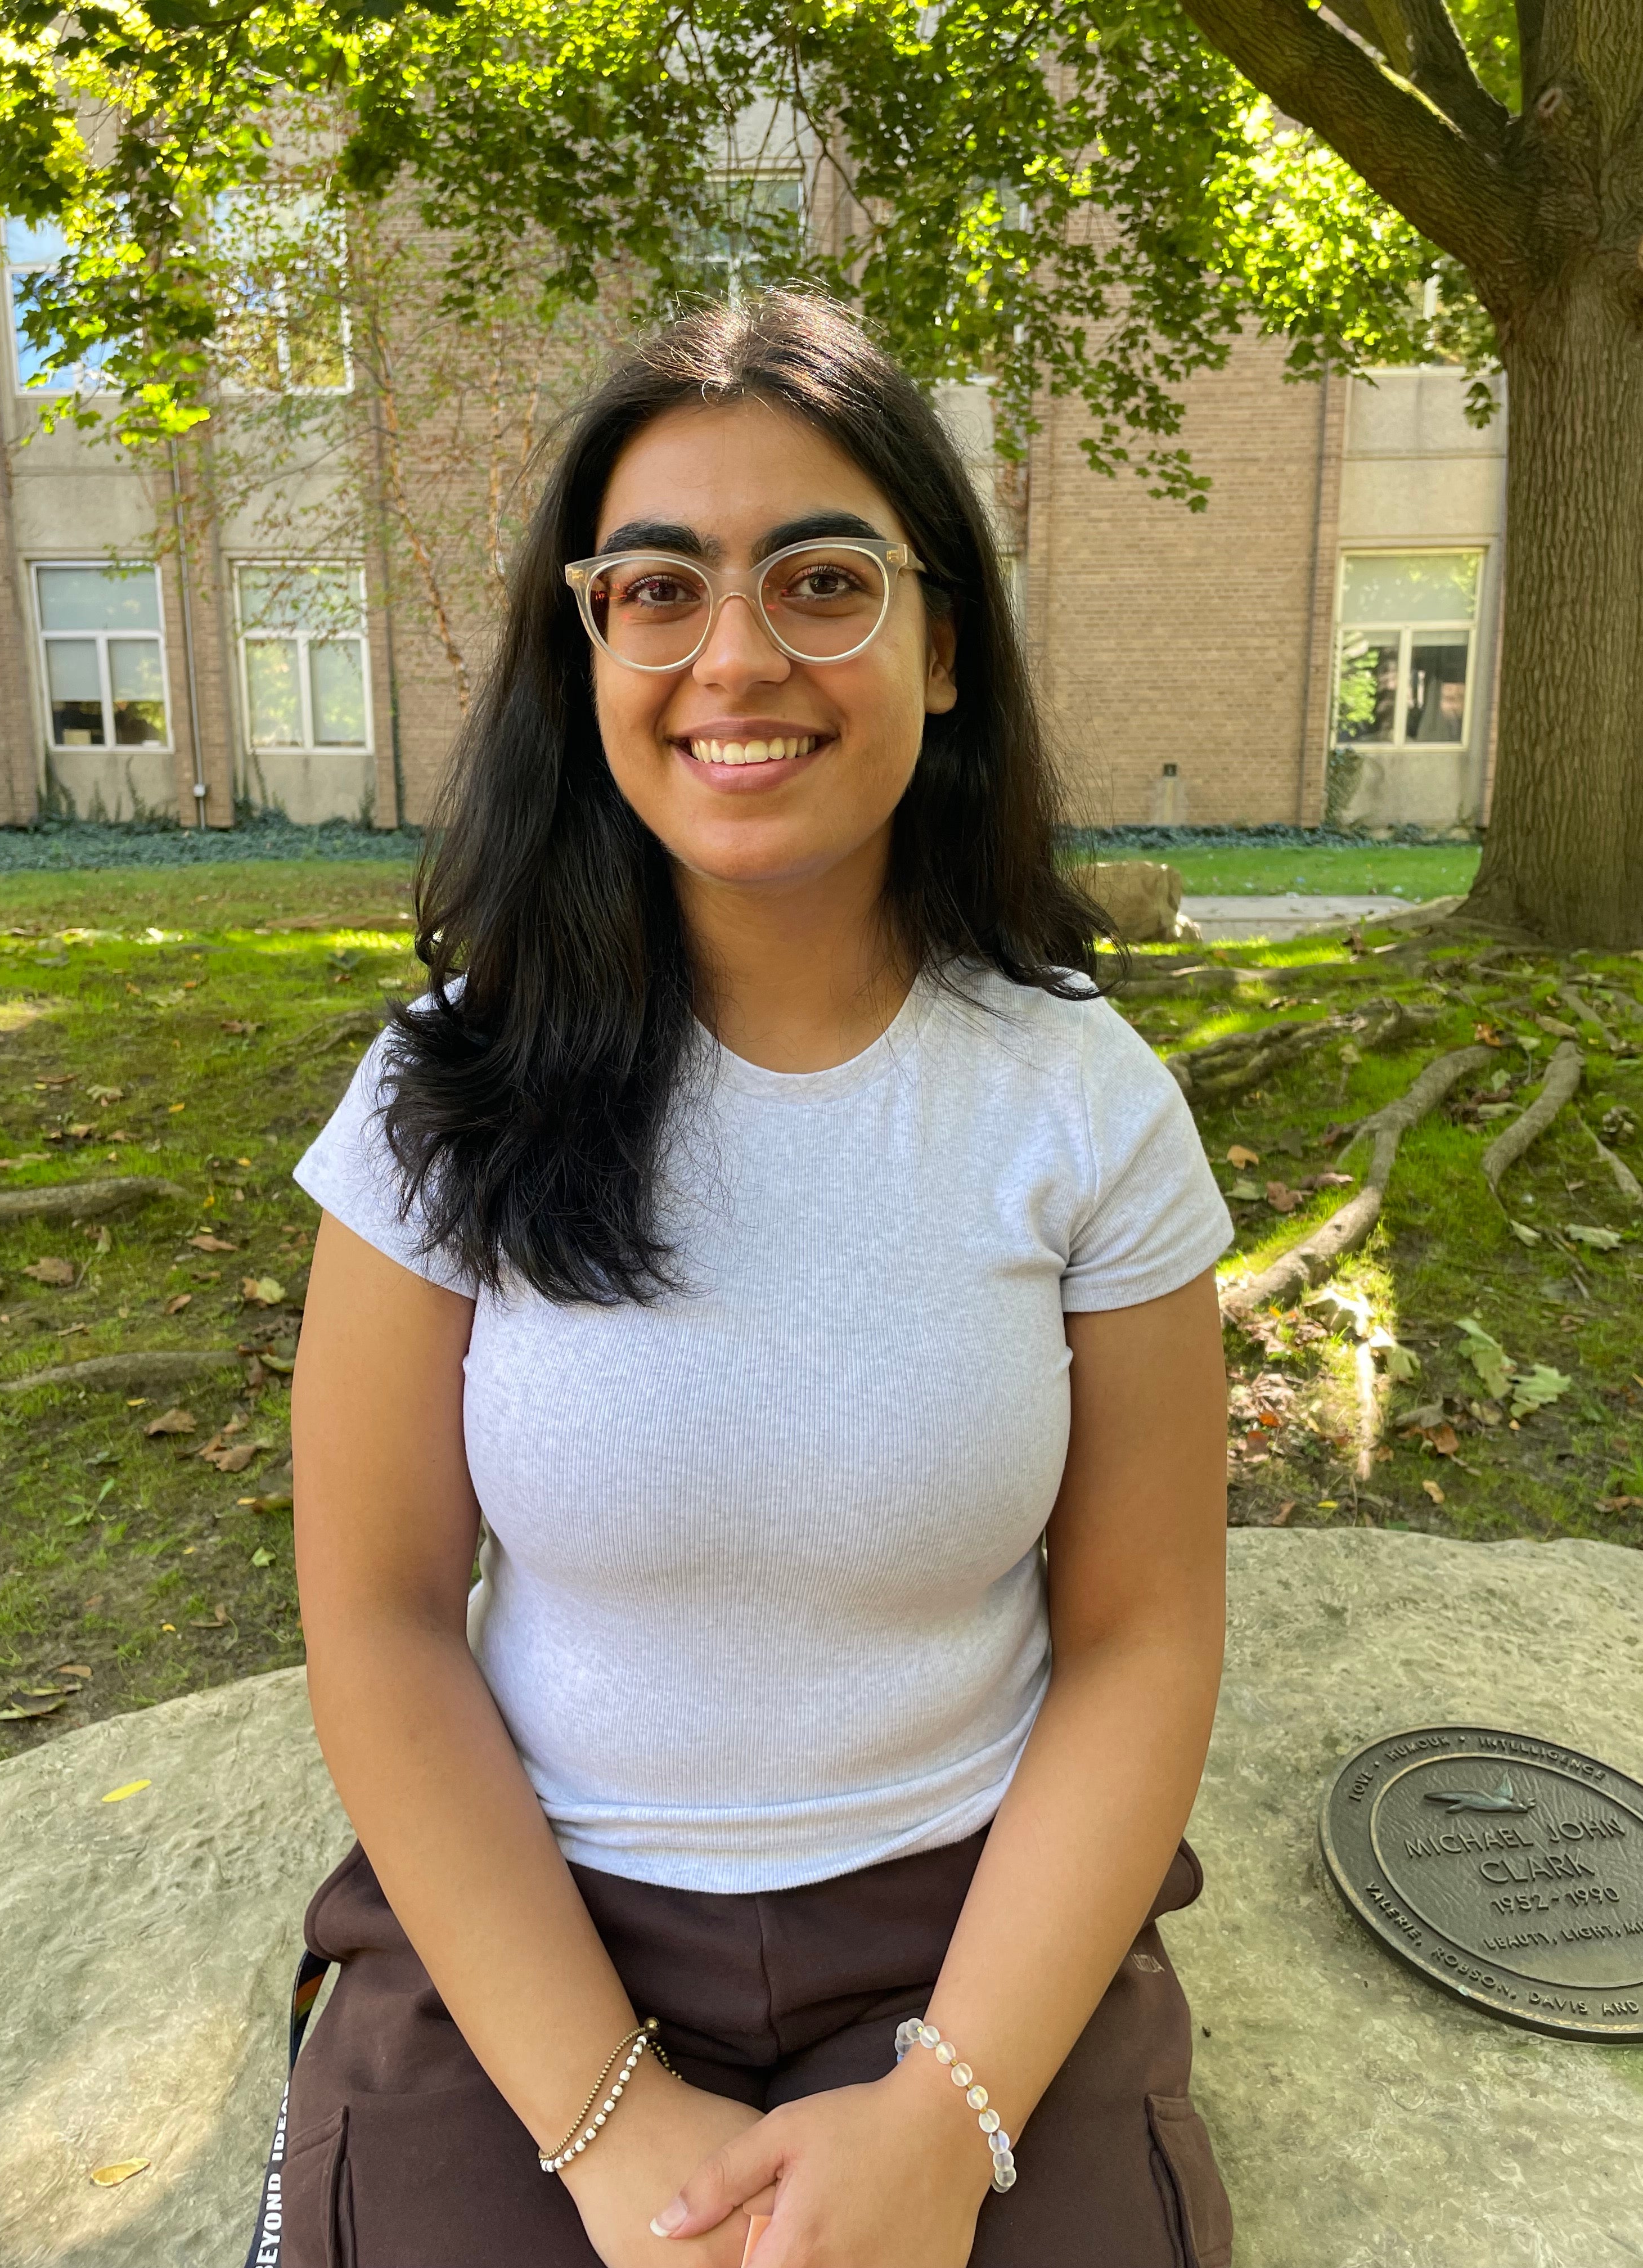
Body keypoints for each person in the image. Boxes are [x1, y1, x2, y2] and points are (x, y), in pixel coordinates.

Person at [280, 290, 1235, 2268]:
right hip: (536, 1920)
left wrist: (951, 2118)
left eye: (821, 581)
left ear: (942, 646)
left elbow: (1143, 1636)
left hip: (968, 1922)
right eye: (656, 589)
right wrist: (607, 2121)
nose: (736, 659)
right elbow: (379, 1613)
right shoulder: (444, 1087)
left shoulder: (1085, 1103)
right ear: (586, 649)